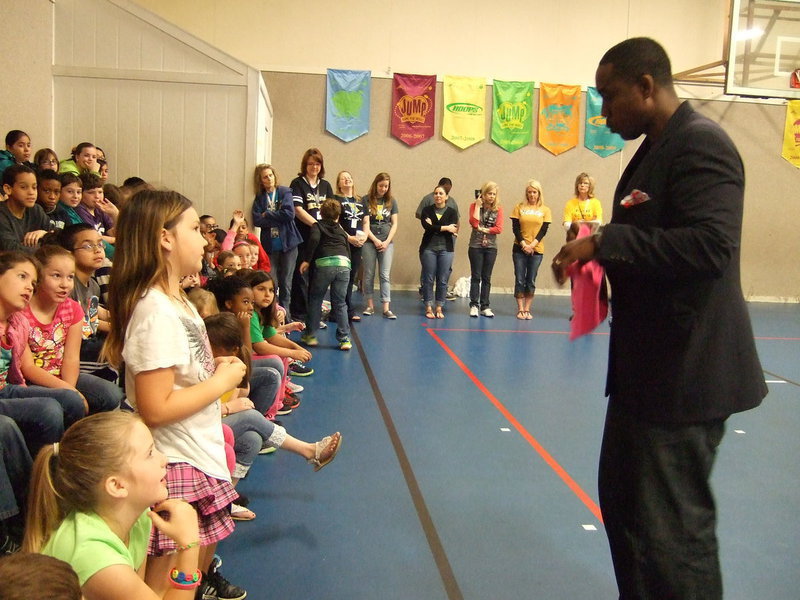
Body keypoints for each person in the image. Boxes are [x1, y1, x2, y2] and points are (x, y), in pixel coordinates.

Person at [551, 37, 768, 600]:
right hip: (645, 378)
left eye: (609, 97)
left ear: (647, 86)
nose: (604, 113)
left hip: (685, 379)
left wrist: (606, 240)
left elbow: (710, 248)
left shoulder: (703, 145)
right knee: (630, 517)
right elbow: (655, 244)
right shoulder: (655, 147)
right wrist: (599, 270)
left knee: (673, 538)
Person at [103, 189, 248, 600]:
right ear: (165, 238)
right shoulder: (155, 311)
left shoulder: (178, 302)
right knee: (168, 589)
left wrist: (214, 371)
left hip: (199, 456)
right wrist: (220, 385)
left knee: (191, 584)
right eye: (193, 229)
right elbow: (154, 407)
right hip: (176, 464)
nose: (204, 240)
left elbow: (183, 377)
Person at [23, 412, 203, 599]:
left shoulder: (140, 517)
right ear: (117, 486)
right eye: (150, 453)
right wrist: (190, 545)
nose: (164, 459)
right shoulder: (96, 557)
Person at [21, 244, 123, 414]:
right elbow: (91, 325)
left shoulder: (93, 287)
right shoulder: (23, 311)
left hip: (74, 352)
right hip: (37, 376)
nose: (65, 283)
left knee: (111, 392)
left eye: (70, 277)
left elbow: (73, 353)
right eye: (56, 276)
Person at [299, 198, 352, 350]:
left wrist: (307, 260)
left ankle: (311, 335)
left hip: (325, 264)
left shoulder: (318, 225)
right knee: (340, 302)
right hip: (344, 264)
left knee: (316, 298)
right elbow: (346, 247)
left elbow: (314, 239)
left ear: (321, 213)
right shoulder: (341, 229)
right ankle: (344, 339)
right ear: (338, 215)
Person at [289, 148, 334, 321]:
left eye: (317, 163)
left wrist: (325, 229)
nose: (314, 167)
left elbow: (332, 209)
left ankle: (314, 313)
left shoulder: (326, 185)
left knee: (318, 275)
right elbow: (298, 210)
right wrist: (316, 225)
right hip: (303, 236)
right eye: (310, 164)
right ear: (305, 165)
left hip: (321, 239)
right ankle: (299, 313)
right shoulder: (298, 183)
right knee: (301, 274)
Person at [251, 164, 302, 316]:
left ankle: (286, 316)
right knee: (272, 281)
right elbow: (257, 220)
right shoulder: (260, 198)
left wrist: (268, 214)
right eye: (265, 177)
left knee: (286, 282)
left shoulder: (284, 191)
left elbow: (289, 214)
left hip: (289, 244)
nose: (269, 179)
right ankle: (272, 314)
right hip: (271, 246)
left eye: (271, 175)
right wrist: (275, 217)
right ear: (261, 181)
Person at [510, 179, 551, 319]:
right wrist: (523, 244)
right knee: (520, 279)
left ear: (539, 193)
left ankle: (527, 309)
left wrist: (532, 245)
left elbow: (543, 230)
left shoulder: (545, 210)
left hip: (537, 249)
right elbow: (515, 228)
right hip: (519, 248)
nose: (532, 195)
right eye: (529, 192)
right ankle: (520, 309)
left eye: (534, 192)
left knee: (531, 279)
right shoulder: (519, 207)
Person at [361, 172, 399, 319]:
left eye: (386, 186)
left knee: (384, 275)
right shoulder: (366, 200)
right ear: (376, 184)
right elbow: (365, 223)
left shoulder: (391, 201)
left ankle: (386, 307)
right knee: (369, 274)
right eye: (381, 185)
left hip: (386, 242)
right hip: (370, 242)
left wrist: (387, 241)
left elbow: (394, 223)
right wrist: (374, 240)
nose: (383, 189)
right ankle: (370, 305)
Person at [333, 170, 368, 322]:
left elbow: (366, 221)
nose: (347, 180)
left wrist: (364, 237)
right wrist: (349, 237)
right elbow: (335, 222)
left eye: (349, 177)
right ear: (339, 184)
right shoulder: (336, 200)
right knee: (341, 276)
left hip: (358, 244)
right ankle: (339, 310)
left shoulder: (361, 201)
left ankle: (347, 307)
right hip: (342, 242)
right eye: (343, 178)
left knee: (351, 276)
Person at [418, 185, 458, 319]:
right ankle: (428, 306)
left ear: (446, 197)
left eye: (441, 193)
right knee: (428, 278)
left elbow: (453, 228)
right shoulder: (427, 210)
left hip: (446, 249)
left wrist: (435, 226)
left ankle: (439, 306)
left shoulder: (452, 212)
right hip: (429, 248)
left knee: (442, 279)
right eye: (436, 193)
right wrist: (445, 227)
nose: (438, 196)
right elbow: (427, 227)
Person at [467, 181, 503, 317]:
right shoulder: (474, 206)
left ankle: (485, 305)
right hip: (476, 246)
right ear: (483, 194)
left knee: (486, 277)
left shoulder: (498, 209)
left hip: (491, 247)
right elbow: (474, 222)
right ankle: (474, 305)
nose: (491, 196)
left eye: (494, 194)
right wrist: (477, 206)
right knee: (476, 276)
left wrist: (484, 229)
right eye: (489, 193)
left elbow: (499, 228)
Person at [0, 165, 51, 253]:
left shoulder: (36, 210)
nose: (31, 192)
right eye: (23, 187)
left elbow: (58, 236)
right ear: (8, 189)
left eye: (34, 187)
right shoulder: (2, 215)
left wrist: (44, 234)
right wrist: (45, 244)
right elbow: (12, 250)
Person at [562, 172, 603, 240]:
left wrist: (581, 224)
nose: (582, 185)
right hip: (574, 237)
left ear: (590, 186)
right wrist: (578, 225)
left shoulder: (596, 203)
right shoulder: (570, 203)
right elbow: (566, 224)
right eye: (580, 183)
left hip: (590, 237)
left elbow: (598, 222)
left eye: (585, 183)